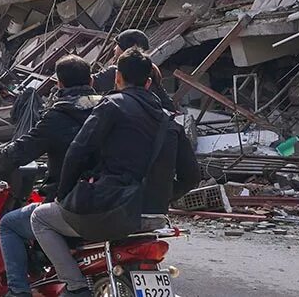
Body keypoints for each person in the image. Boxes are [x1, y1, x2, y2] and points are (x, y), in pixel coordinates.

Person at [31, 49, 200, 295]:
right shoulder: (170, 122)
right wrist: (160, 196)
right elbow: (192, 177)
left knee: (40, 218)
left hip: (114, 212)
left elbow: (78, 152)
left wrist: (64, 195)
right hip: (155, 218)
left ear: (117, 78)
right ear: (149, 82)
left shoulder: (110, 106)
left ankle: (75, 286)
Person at [0, 55, 97, 297]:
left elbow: (20, 149)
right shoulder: (109, 111)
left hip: (75, 203)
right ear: (91, 80)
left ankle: (18, 292)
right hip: (117, 199)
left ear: (58, 84)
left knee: (8, 224)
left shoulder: (59, 116)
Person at [89, 29, 174, 111]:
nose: (114, 49)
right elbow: (168, 104)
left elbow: (87, 82)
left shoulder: (117, 72)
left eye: (118, 45)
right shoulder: (150, 71)